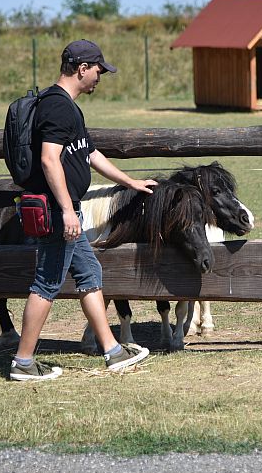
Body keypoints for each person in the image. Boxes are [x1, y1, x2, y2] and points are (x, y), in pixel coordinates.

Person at [10, 39, 157, 381]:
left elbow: (90, 155)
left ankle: (113, 351)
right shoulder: (58, 107)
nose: (100, 78)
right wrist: (65, 211)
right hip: (57, 212)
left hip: (68, 210)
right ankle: (23, 361)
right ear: (82, 69)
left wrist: (131, 182)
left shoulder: (69, 107)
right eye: (98, 71)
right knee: (47, 283)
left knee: (90, 274)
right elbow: (49, 159)